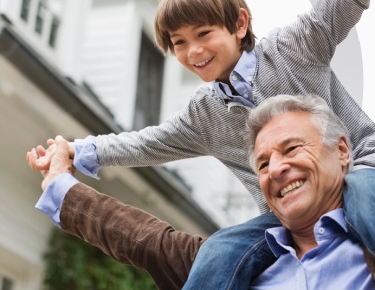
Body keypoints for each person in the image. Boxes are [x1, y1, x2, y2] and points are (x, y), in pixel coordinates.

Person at [27, 0, 375, 289]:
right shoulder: (204, 114)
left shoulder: (294, 48)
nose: (193, 51)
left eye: (204, 34)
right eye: (179, 42)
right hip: (283, 213)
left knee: (363, 204)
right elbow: (147, 144)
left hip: (362, 167)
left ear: (239, 25)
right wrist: (77, 151)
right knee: (218, 251)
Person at [31, 95, 375, 289]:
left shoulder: (364, 241)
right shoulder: (233, 265)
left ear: (342, 150)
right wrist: (59, 183)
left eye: (292, 148)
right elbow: (144, 239)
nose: (277, 169)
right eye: (263, 163)